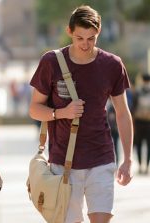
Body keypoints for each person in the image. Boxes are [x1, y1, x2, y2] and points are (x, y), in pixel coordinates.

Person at [29, 5, 133, 223]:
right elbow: (34, 108)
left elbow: (123, 113)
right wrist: (62, 113)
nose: (85, 44)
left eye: (91, 38)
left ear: (99, 32)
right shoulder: (51, 62)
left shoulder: (112, 65)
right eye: (80, 38)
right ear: (69, 32)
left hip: (101, 158)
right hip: (63, 163)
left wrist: (128, 159)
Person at [133, 73, 150, 174]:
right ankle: (145, 166)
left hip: (140, 122)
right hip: (145, 122)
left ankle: (141, 166)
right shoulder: (138, 92)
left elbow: (133, 108)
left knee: (140, 145)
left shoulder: (137, 91)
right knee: (145, 145)